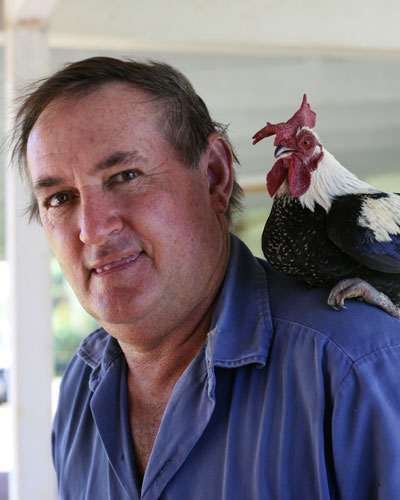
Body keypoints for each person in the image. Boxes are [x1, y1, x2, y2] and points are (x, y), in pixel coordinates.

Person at [12, 57, 400, 500]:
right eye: (60, 198)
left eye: (125, 176)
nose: (94, 229)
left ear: (214, 176)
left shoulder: (359, 366)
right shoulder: (83, 385)